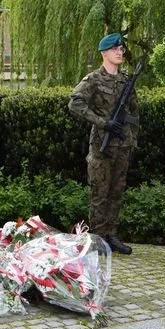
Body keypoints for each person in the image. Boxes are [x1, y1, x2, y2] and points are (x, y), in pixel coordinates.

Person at [68, 32, 140, 255]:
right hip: (101, 146)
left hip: (123, 145)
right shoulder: (93, 80)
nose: (120, 52)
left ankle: (112, 235)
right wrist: (103, 123)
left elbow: (135, 114)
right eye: (115, 49)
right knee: (99, 194)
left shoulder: (126, 80)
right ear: (104, 53)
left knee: (116, 193)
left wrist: (133, 144)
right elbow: (75, 103)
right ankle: (97, 240)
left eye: (121, 49)